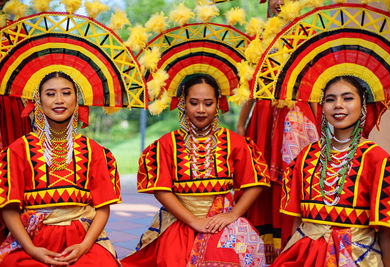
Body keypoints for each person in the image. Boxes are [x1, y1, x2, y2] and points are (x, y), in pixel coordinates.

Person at [121, 74, 270, 267]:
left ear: (218, 104)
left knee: (235, 255)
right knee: (173, 259)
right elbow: (161, 189)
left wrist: (232, 215)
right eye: (194, 103)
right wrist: (192, 220)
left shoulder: (235, 143)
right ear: (183, 104)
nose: (201, 110)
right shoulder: (167, 145)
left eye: (208, 103)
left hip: (220, 221)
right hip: (179, 221)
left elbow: (255, 182)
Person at [272, 75, 390, 266]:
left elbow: (386, 233)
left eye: (348, 98)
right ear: (322, 106)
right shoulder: (307, 156)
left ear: (363, 104)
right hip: (305, 256)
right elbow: (298, 223)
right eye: (330, 99)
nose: (338, 105)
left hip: (357, 258)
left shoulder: (377, 159)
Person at [0, 72, 121, 266]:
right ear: (38, 101)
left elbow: (103, 207)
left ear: (76, 100)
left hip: (83, 238)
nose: (59, 100)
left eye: (66, 93)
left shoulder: (94, 151)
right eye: (50, 94)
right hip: (32, 240)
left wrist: (85, 246)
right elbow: (9, 209)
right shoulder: (17, 150)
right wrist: (32, 250)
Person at [237, 0, 320, 262]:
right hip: (263, 115)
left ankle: (290, 239)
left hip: (297, 115)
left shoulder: (308, 35)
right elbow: (249, 84)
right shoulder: (258, 37)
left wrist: (319, 124)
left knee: (294, 175)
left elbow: (316, 85)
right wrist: (241, 124)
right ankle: (263, 241)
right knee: (261, 177)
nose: (281, 1)